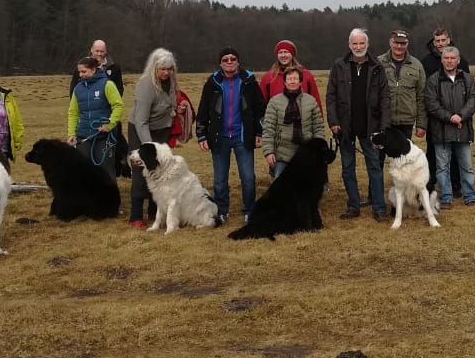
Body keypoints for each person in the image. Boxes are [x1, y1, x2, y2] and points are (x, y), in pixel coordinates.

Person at [325, 28, 391, 221]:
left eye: (362, 43)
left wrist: (384, 126)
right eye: (355, 43)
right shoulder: (339, 65)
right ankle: (353, 205)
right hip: (345, 127)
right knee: (347, 168)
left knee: (375, 168)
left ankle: (379, 208)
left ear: (367, 45)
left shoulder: (377, 66)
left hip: (371, 126)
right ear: (349, 45)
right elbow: (331, 96)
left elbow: (385, 98)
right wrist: (334, 121)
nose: (358, 47)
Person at [196, 47, 266, 223]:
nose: (229, 62)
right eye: (225, 59)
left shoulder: (249, 81)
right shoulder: (212, 83)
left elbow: (260, 109)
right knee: (220, 179)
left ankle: (249, 211)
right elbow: (203, 110)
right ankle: (222, 211)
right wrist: (202, 135)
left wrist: (259, 132)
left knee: (248, 177)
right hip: (219, 137)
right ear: (220, 63)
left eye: (232, 59)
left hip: (243, 136)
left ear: (238, 61)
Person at [127, 47, 179, 228]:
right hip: (141, 129)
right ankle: (135, 216)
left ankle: (154, 211)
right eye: (162, 69)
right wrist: (149, 146)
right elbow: (141, 121)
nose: (166, 72)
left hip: (161, 130)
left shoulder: (171, 81)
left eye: (169, 69)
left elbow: (170, 103)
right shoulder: (146, 86)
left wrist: (177, 110)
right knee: (141, 171)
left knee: (160, 170)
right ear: (154, 68)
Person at [425, 45, 475, 207]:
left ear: (458, 60)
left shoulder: (467, 79)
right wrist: (450, 117)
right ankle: (446, 197)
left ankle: (469, 195)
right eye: (446, 58)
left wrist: (461, 116)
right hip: (441, 131)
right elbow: (432, 104)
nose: (449, 61)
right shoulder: (433, 80)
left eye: (452, 58)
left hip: (462, 130)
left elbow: (473, 99)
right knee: (442, 167)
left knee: (467, 166)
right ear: (441, 60)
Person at [421, 27, 471, 193]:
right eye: (438, 41)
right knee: (433, 151)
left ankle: (456, 184)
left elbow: (468, 88)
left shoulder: (461, 60)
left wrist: (461, 115)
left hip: (458, 116)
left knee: (457, 152)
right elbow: (425, 92)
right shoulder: (426, 62)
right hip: (435, 116)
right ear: (433, 42)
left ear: (449, 40)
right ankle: (430, 183)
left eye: (443, 40)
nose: (441, 43)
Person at [68, 55, 125, 181]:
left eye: (84, 71)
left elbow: (118, 106)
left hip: (103, 136)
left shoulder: (107, 84)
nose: (81, 75)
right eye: (79, 72)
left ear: (93, 70)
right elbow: (73, 112)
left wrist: (109, 125)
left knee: (106, 170)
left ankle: (110, 199)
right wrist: (72, 133)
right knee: (84, 170)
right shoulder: (78, 88)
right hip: (83, 135)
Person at [262, 66, 326, 179]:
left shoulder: (311, 101)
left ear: (300, 82)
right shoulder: (274, 102)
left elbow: (318, 128)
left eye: (295, 79)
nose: (292, 81)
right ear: (285, 82)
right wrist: (268, 152)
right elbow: (268, 129)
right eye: (289, 79)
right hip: (282, 154)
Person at [377, 29, 427, 141]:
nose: (399, 46)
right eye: (396, 43)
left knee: (403, 157)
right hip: (382, 119)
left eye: (403, 43)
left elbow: (421, 96)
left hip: (406, 122)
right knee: (378, 156)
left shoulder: (416, 65)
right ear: (390, 42)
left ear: (407, 44)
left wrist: (421, 124)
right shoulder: (378, 63)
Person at [258, 39, 324, 113]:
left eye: (286, 52)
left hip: (303, 122)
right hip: (277, 123)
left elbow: (316, 102)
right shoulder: (268, 78)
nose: (283, 55)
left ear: (292, 54)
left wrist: (319, 122)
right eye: (280, 52)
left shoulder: (306, 76)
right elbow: (261, 105)